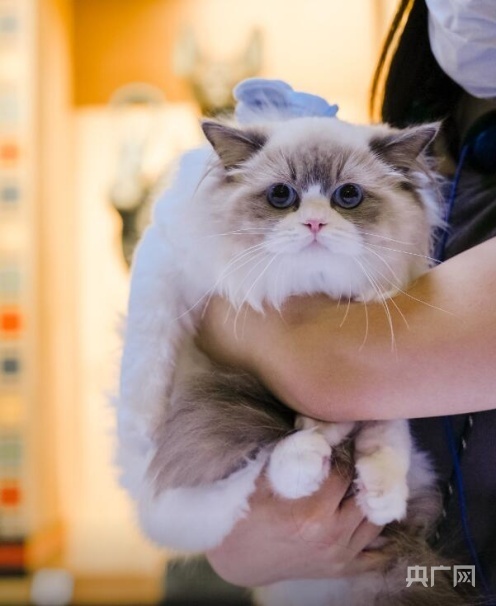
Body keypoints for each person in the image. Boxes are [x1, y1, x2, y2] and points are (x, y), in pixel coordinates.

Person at [198, 0, 496, 595]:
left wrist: (223, 314)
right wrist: (243, 549)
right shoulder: (436, 149)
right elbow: (230, 544)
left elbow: (333, 364)